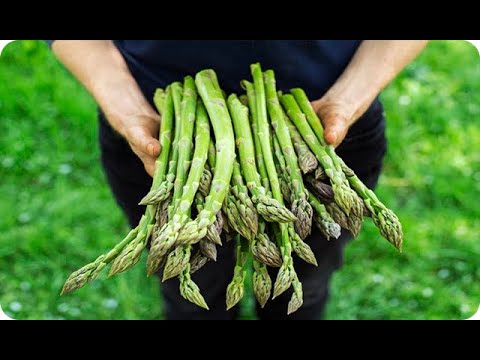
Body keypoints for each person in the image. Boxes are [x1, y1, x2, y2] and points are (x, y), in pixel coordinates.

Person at [48, 40, 428, 320]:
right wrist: (126, 108)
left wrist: (348, 99)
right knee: (193, 299)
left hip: (320, 134)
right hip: (161, 135)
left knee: (302, 288)